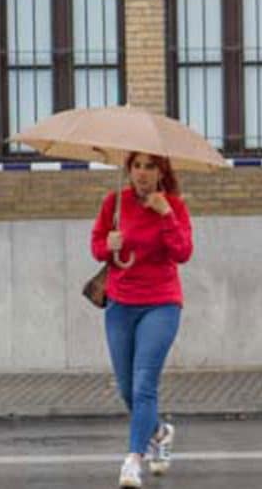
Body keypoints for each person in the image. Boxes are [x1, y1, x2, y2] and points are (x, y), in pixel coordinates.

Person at [91, 152, 193, 488]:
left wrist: (165, 215)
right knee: (126, 388)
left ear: (162, 170)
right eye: (137, 166)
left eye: (150, 166)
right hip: (120, 303)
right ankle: (160, 433)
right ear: (129, 170)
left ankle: (133, 461)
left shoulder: (173, 206)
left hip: (161, 303)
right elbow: (96, 247)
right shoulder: (114, 203)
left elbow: (183, 253)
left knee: (144, 382)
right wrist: (108, 245)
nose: (143, 173)